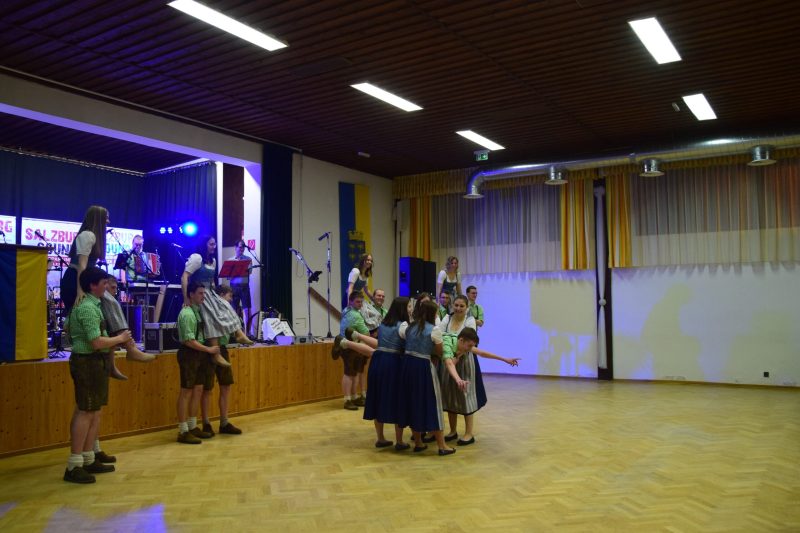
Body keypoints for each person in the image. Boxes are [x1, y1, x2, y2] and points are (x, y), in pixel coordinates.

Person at [61, 206, 153, 381]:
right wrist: (80, 289)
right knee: (110, 304)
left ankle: (113, 363)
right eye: (106, 218)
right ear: (98, 219)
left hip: (84, 279)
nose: (109, 222)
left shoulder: (92, 236)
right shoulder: (88, 235)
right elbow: (81, 265)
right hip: (77, 280)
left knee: (107, 316)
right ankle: (130, 348)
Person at [63, 267, 130, 483]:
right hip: (87, 362)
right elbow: (96, 342)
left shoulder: (93, 306)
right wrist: (120, 339)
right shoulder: (87, 308)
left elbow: (68, 327)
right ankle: (74, 465)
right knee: (85, 411)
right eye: (104, 283)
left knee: (92, 411)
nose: (108, 287)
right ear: (93, 285)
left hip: (94, 362)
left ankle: (88, 458)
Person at [398, 300, 460, 456]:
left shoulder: (408, 327)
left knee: (413, 402)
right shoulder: (434, 330)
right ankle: (442, 445)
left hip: (407, 367)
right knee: (433, 403)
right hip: (423, 367)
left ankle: (418, 442)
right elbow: (439, 351)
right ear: (433, 313)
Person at [181, 235, 253, 368]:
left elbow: (212, 281)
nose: (214, 246)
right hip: (199, 292)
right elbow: (184, 277)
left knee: (226, 305)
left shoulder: (212, 260)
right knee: (210, 315)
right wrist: (186, 298)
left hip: (210, 291)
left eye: (214, 244)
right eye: (211, 244)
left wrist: (216, 293)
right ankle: (216, 354)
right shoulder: (197, 258)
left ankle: (238, 333)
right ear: (204, 244)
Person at [440, 327, 519, 446]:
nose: (470, 348)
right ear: (461, 340)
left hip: (463, 370)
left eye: (472, 346)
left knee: (467, 400)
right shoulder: (448, 342)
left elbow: (482, 353)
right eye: (469, 345)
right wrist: (458, 360)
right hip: (450, 371)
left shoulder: (465, 346)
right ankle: (452, 431)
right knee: (451, 399)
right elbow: (450, 364)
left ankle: (468, 434)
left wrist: (505, 359)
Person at [357, 297, 411, 450]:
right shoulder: (403, 326)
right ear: (402, 309)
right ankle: (399, 441)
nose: (410, 309)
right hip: (393, 363)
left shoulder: (383, 324)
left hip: (378, 361)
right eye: (408, 307)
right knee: (398, 399)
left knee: (378, 397)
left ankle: (380, 438)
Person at [175, 282, 221, 444]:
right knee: (186, 392)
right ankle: (183, 430)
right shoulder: (187, 314)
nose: (204, 296)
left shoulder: (198, 312)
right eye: (200, 293)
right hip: (189, 354)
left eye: (204, 293)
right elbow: (188, 340)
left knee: (198, 389)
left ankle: (193, 426)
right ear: (191, 294)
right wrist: (208, 349)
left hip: (199, 354)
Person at [199, 285, 242, 436]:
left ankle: (224, 422)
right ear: (221, 296)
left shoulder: (226, 312)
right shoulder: (210, 310)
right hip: (209, 349)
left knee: (226, 385)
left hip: (222, 348)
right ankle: (206, 423)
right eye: (229, 296)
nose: (230, 300)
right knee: (207, 388)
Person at [337, 291, 371, 409]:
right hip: (349, 347)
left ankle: (354, 397)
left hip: (348, 345)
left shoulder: (346, 310)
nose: (360, 304)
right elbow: (366, 333)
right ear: (351, 301)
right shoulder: (356, 315)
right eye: (357, 302)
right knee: (349, 373)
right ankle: (347, 399)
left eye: (361, 302)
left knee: (354, 373)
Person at [225, 239, 253, 331]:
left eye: (243, 247)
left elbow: (250, 272)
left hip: (244, 287)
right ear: (235, 247)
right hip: (234, 287)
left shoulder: (248, 259)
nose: (242, 249)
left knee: (247, 310)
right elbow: (227, 276)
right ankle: (235, 332)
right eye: (240, 247)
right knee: (233, 310)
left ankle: (247, 333)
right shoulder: (230, 260)